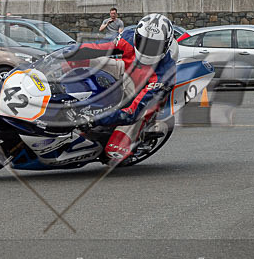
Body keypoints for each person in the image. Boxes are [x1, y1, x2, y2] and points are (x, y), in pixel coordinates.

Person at [62, 13, 176, 162]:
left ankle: (131, 139)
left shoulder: (165, 73)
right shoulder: (128, 37)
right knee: (75, 61)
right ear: (136, 37)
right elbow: (100, 47)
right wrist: (71, 52)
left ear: (166, 45)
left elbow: (133, 112)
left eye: (154, 46)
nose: (147, 49)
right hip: (126, 71)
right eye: (143, 42)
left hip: (143, 97)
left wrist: (95, 119)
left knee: (114, 153)